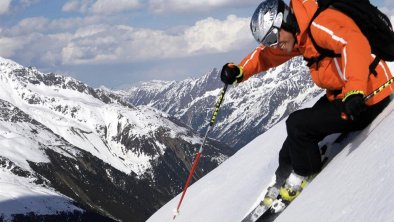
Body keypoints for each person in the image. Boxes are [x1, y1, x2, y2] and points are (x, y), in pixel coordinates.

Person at [220, 0, 393, 204]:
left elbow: (353, 43)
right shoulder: (299, 33)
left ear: (283, 21)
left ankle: (303, 176)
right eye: (268, 41)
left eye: (273, 37)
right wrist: (240, 71)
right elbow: (267, 56)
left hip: (366, 98)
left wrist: (355, 90)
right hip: (341, 95)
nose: (275, 44)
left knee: (297, 124)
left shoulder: (319, 25)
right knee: (291, 143)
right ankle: (281, 180)